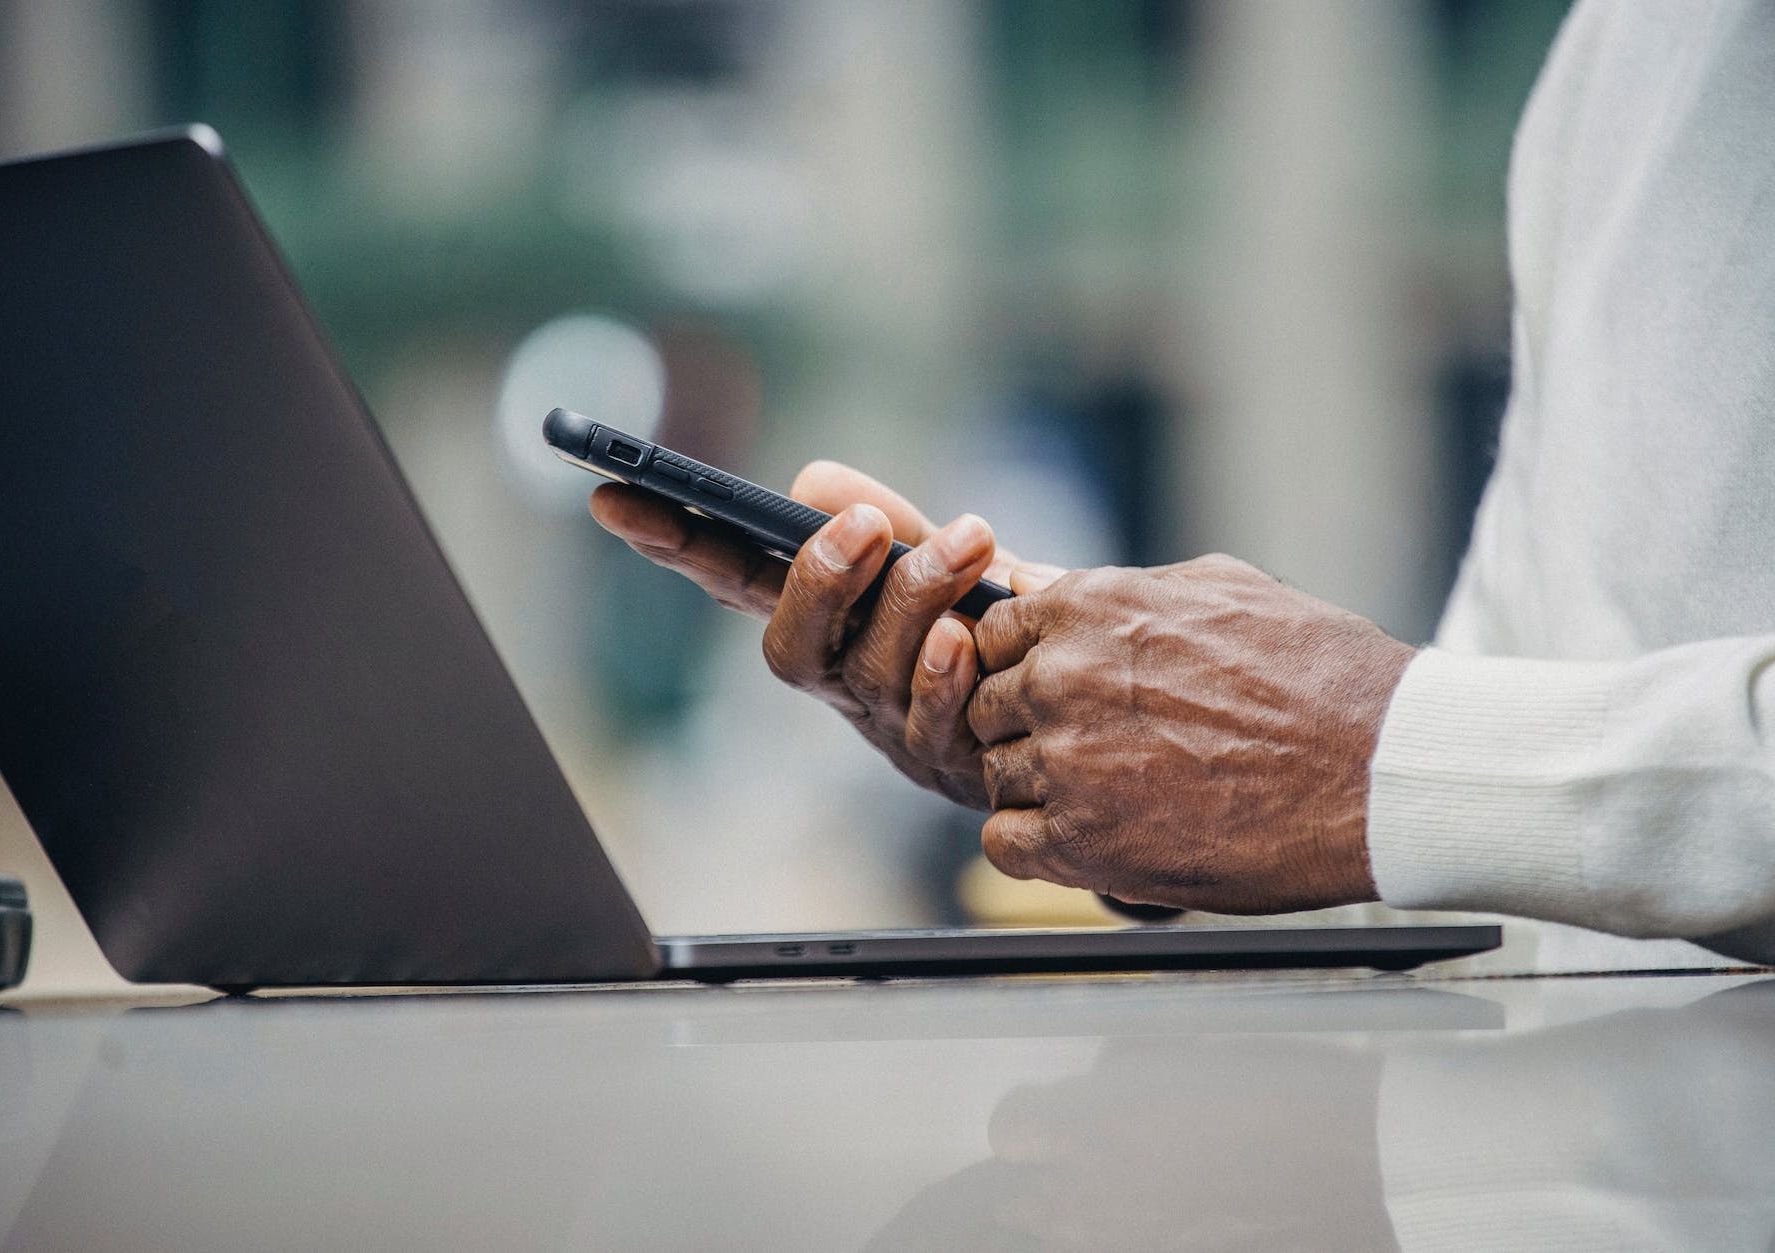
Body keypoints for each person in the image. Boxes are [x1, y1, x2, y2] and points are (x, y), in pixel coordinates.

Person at [589, 0, 1775, 966]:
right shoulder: (1618, 53)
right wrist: (1101, 773)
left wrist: (1374, 757)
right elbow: (1504, 837)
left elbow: (1450, 776)